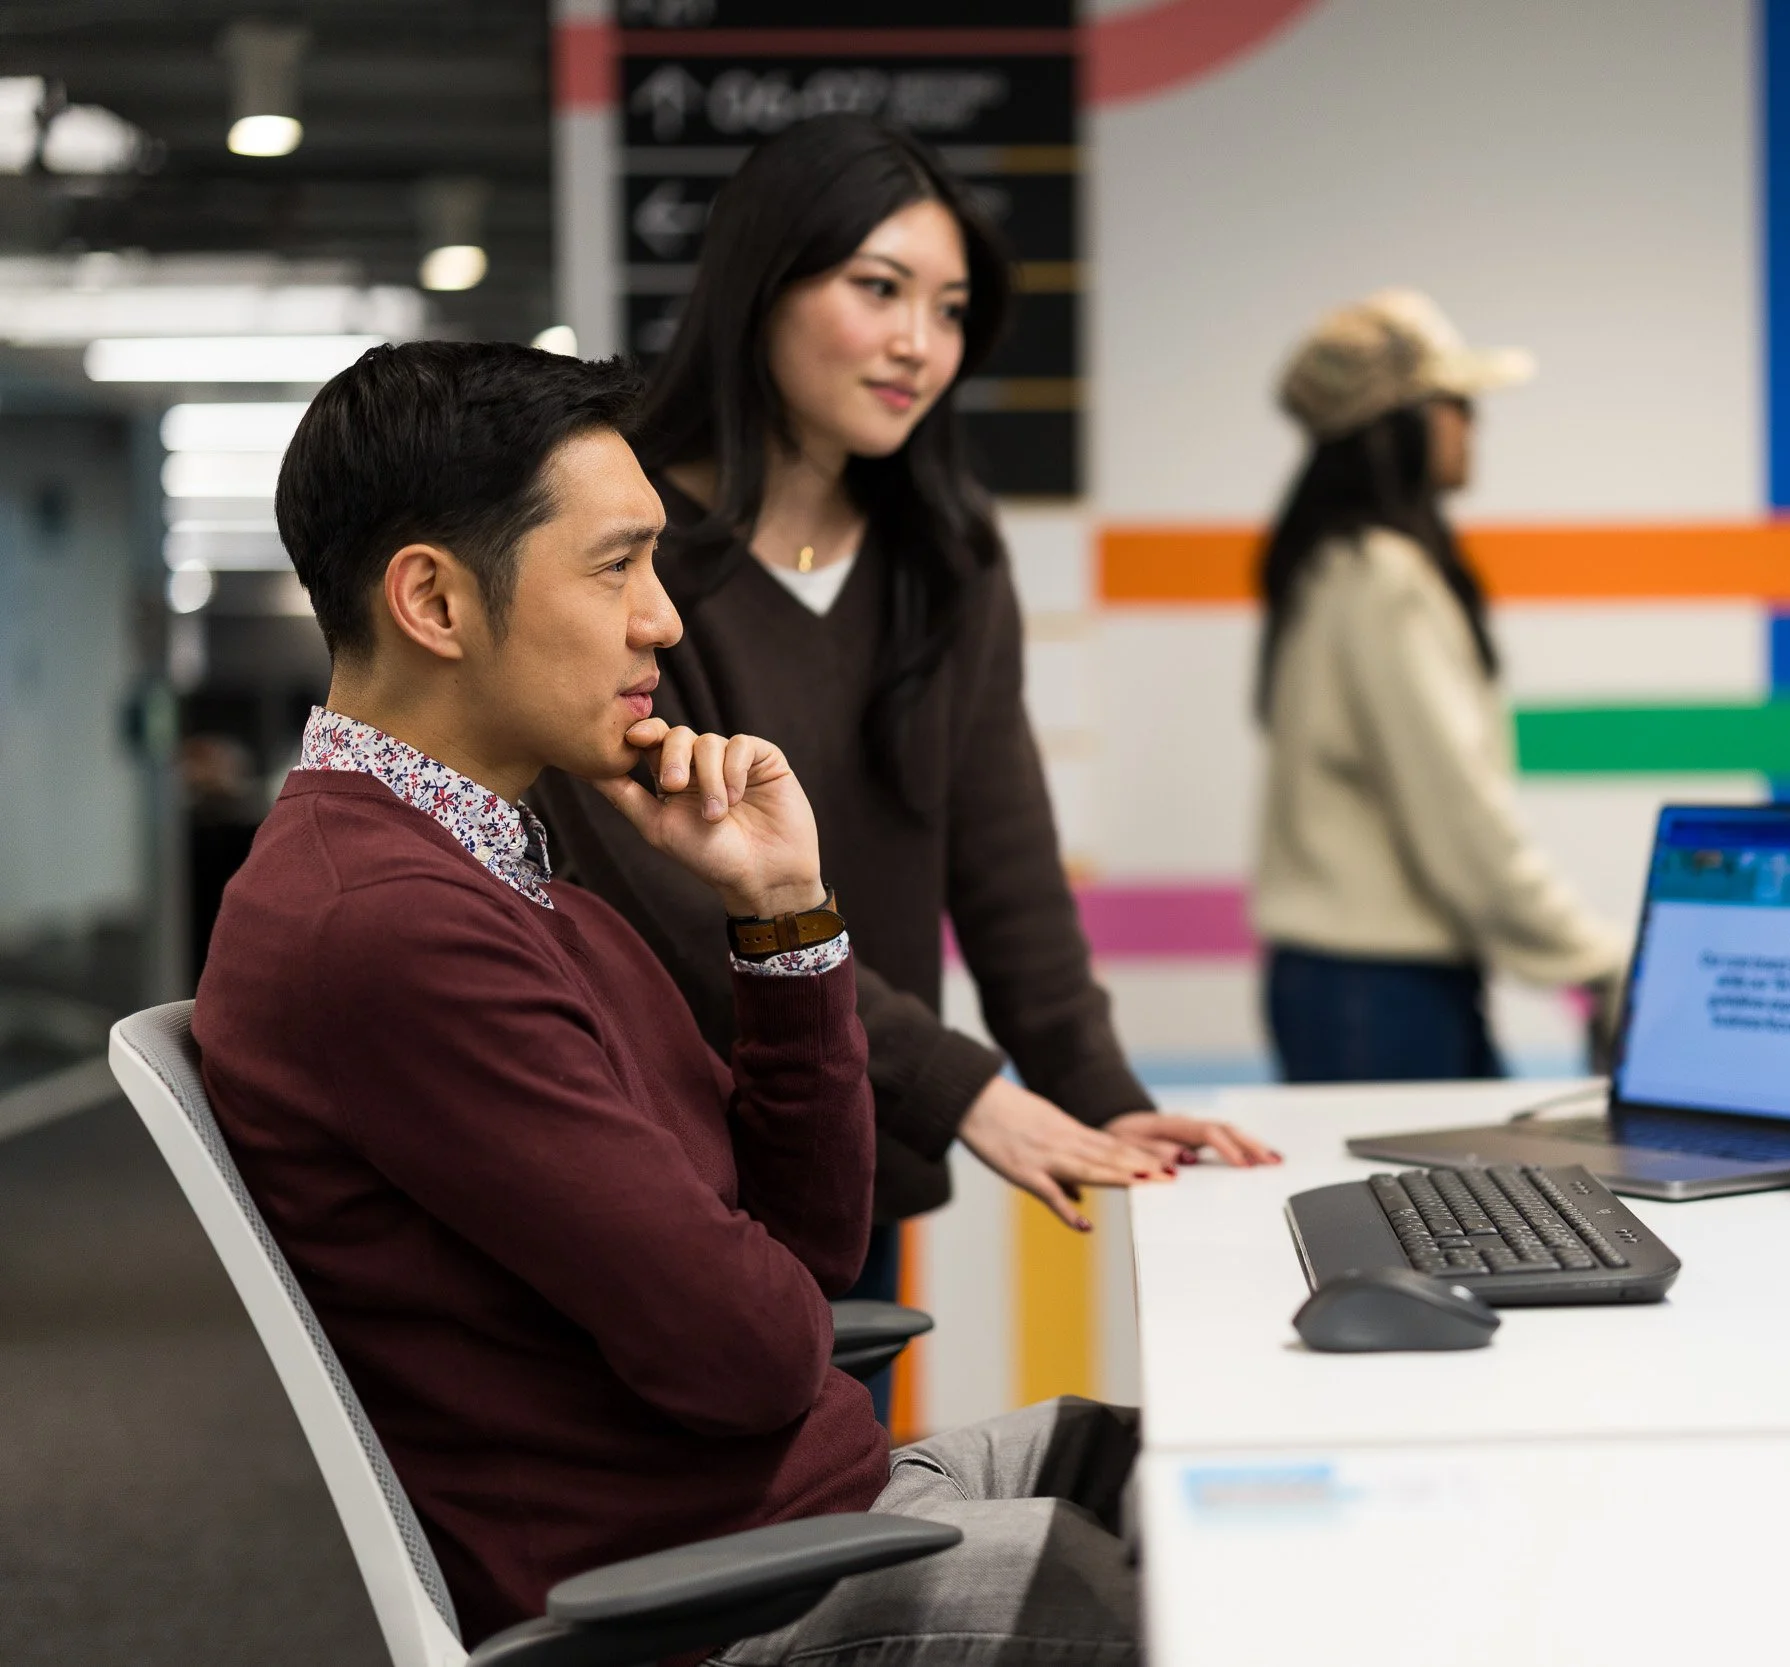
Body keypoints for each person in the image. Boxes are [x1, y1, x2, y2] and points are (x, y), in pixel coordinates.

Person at [193, 340, 1141, 1663]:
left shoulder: (502, 872)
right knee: (1199, 1591)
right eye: (614, 562)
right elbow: (752, 1352)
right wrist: (765, 1297)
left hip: (799, 1516)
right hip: (720, 1597)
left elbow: (808, 1247)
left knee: (1174, 1467)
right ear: (435, 600)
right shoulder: (386, 926)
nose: (665, 618)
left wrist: (781, 913)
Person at [529, 117, 1273, 1316]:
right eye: (878, 289)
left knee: (849, 1486)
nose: (918, 345)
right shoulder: (627, 546)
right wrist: (972, 1092)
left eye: (950, 307)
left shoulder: (948, 555)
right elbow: (677, 899)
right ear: (763, 284)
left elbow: (1005, 860)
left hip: (850, 1147)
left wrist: (1102, 1095)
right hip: (660, 1156)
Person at [1252, 289, 1629, 1082]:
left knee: (1448, 1205)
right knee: (1462, 1208)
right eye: (1456, 402)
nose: (1473, 425)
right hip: (1382, 991)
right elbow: (1456, 807)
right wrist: (1595, 955)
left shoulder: (1331, 564)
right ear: (1401, 421)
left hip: (1347, 983)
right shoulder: (1382, 577)